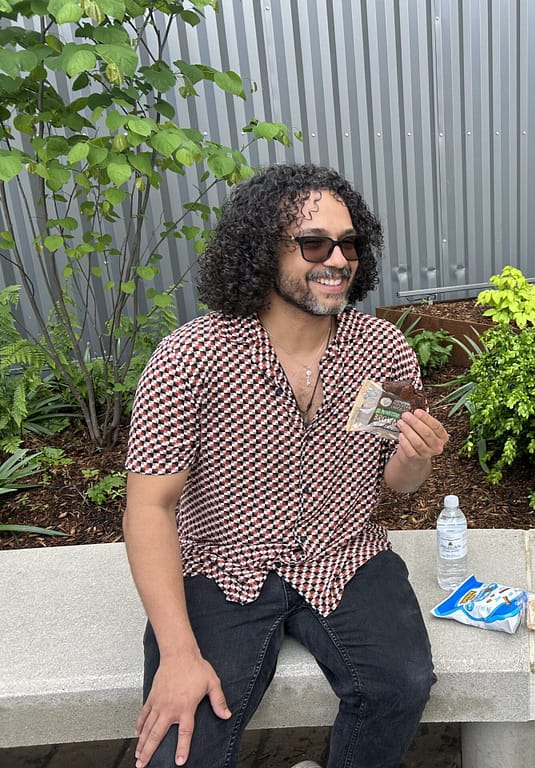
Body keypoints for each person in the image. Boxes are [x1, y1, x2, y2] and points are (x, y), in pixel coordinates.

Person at [122, 163, 449, 768]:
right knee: (183, 743)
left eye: (348, 243)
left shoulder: (381, 349)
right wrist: (177, 652)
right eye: (314, 243)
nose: (338, 259)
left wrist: (413, 457)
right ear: (261, 252)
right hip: (222, 561)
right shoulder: (192, 357)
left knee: (399, 686)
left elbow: (399, 486)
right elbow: (150, 505)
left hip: (347, 552)